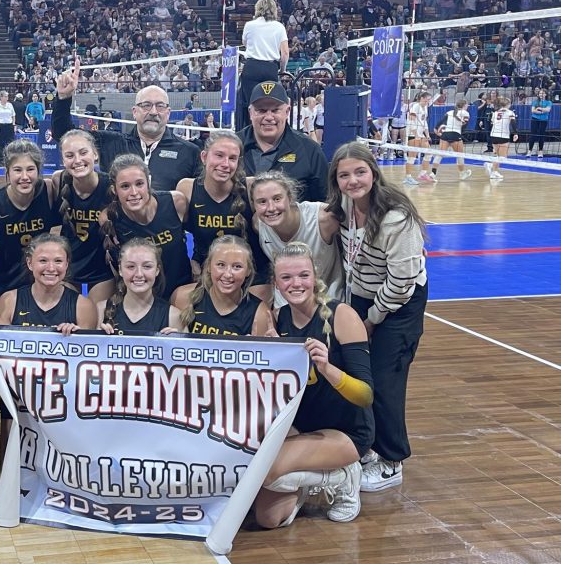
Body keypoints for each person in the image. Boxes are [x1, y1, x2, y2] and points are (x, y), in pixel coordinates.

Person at [327, 142, 428, 493]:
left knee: (386, 381)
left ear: (374, 173)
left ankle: (392, 459)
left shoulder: (395, 217)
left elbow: (401, 282)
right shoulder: (342, 207)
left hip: (399, 303)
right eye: (344, 175)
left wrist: (371, 319)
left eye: (360, 172)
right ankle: (368, 446)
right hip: (362, 295)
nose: (353, 181)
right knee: (356, 374)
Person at [257, 241, 372, 528]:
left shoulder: (341, 315)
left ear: (315, 275)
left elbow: (366, 396)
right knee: (269, 519)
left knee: (266, 469)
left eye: (303, 275)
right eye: (286, 277)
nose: (295, 284)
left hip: (346, 430)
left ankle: (344, 478)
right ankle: (311, 480)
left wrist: (328, 368)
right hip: (302, 427)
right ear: (276, 282)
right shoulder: (279, 319)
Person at [0, 233, 97, 458]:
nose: (51, 268)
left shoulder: (83, 306)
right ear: (30, 263)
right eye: (43, 260)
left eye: (58, 261)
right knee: (12, 463)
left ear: (67, 264)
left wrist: (76, 340)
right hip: (18, 401)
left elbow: (89, 368)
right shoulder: (10, 300)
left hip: (64, 403)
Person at [52, 59, 201, 191]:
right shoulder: (111, 143)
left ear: (168, 113)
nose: (154, 112)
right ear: (135, 112)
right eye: (146, 105)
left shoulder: (190, 152)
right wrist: (64, 98)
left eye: (160, 106)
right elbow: (63, 134)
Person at [177, 130, 269, 297]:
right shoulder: (187, 188)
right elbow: (175, 234)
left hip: (252, 279)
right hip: (207, 276)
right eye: (219, 155)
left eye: (232, 158)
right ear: (204, 157)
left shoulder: (252, 188)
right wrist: (189, 262)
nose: (225, 164)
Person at [0, 139, 61, 313]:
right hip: (3, 276)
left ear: (39, 171)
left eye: (30, 169)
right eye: (17, 170)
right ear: (7, 173)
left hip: (39, 274)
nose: (25, 177)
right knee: (2, 329)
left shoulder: (48, 191)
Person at [100, 154, 192, 300]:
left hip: (181, 296)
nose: (134, 192)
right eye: (125, 186)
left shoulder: (176, 203)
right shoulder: (110, 218)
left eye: (139, 184)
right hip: (141, 300)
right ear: (114, 190)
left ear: (148, 182)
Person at [251, 170, 343, 305]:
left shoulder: (324, 219)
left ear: (290, 198)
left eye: (277, 199)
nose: (270, 208)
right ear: (254, 205)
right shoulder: (258, 224)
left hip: (327, 303)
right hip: (286, 307)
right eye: (262, 202)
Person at [238, 82, 328, 202]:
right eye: (261, 110)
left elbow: (325, 204)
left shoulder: (309, 150)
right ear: (250, 113)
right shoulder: (233, 147)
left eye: (275, 110)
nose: (269, 117)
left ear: (287, 111)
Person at [55, 130, 114, 304]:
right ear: (63, 160)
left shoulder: (111, 186)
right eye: (70, 155)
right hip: (69, 268)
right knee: (69, 322)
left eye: (83, 152)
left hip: (103, 269)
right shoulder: (57, 184)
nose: (77, 160)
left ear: (95, 154)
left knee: (96, 323)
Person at [173, 235, 271, 336]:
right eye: (221, 265)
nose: (228, 274)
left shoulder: (260, 315)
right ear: (209, 266)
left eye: (237, 267)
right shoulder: (182, 297)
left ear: (248, 271)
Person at [98, 238, 182, 335]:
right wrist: (97, 339)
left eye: (147, 266)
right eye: (131, 267)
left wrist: (176, 344)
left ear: (157, 270)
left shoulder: (174, 316)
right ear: (120, 270)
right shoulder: (100, 310)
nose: (139, 274)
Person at [238, 0, 288, 129]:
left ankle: (250, 136)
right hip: (269, 68)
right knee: (269, 104)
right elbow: (285, 54)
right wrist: (282, 70)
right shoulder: (279, 27)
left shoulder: (250, 25)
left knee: (251, 104)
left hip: (252, 67)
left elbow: (245, 43)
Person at [431, 99, 472, 181]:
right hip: (455, 135)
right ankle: (462, 173)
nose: (467, 107)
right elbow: (464, 126)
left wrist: (438, 132)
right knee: (460, 155)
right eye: (467, 105)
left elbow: (440, 123)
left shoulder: (449, 112)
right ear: (464, 106)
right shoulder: (466, 113)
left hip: (445, 134)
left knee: (440, 154)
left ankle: (433, 173)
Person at [403, 92, 435, 185]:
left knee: (429, 153)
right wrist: (416, 134)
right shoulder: (415, 106)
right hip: (412, 134)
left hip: (421, 134)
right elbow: (411, 121)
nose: (428, 102)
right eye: (427, 100)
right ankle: (408, 178)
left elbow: (424, 122)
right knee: (412, 156)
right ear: (421, 98)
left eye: (429, 100)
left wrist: (427, 135)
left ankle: (423, 173)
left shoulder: (425, 108)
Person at [485, 96, 518, 183]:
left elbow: (492, 124)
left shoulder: (495, 113)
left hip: (493, 135)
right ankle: (490, 165)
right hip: (503, 136)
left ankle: (494, 173)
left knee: (497, 156)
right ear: (508, 104)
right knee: (503, 157)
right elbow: (513, 123)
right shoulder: (510, 112)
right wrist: (515, 133)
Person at [0, 90, 16, 164]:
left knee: (10, 144)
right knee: (0, 144)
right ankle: (1, 161)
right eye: (5, 96)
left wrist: (14, 125)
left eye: (7, 96)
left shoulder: (10, 105)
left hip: (9, 126)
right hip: (0, 126)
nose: (7, 98)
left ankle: (10, 160)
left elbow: (13, 115)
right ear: (1, 97)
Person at [529, 88, 552, 158]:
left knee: (541, 135)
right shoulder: (535, 102)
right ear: (538, 94)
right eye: (540, 93)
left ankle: (540, 151)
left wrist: (540, 109)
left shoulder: (549, 102)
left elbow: (548, 110)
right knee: (533, 135)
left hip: (543, 120)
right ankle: (529, 151)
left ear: (546, 94)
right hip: (534, 119)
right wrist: (540, 111)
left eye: (543, 93)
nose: (541, 95)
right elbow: (533, 111)